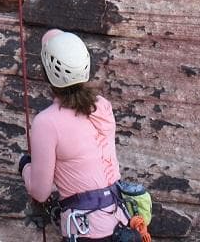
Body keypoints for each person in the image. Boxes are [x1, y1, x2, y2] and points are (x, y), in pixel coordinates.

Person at [19, 29, 132, 241]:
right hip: (121, 223)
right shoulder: (102, 106)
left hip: (87, 231)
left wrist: (25, 165)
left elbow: (40, 192)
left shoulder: (47, 122)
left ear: (46, 74)